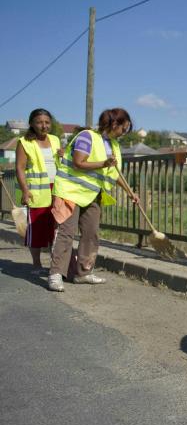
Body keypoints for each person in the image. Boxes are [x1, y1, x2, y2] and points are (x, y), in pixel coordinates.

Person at [47, 108, 138, 292]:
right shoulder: (87, 137)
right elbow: (78, 163)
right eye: (124, 128)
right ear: (114, 124)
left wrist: (129, 192)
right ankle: (56, 274)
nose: (124, 133)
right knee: (67, 233)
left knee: (91, 233)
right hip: (70, 191)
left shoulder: (113, 145)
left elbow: (114, 173)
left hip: (92, 194)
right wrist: (103, 163)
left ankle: (83, 273)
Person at [15, 108, 63, 273]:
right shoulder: (24, 142)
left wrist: (63, 155)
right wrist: (24, 190)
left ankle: (55, 265)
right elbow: (20, 168)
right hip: (36, 192)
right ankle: (36, 263)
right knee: (36, 229)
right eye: (39, 122)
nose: (44, 126)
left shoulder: (55, 140)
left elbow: (60, 163)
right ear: (32, 124)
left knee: (55, 229)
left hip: (56, 190)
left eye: (47, 122)